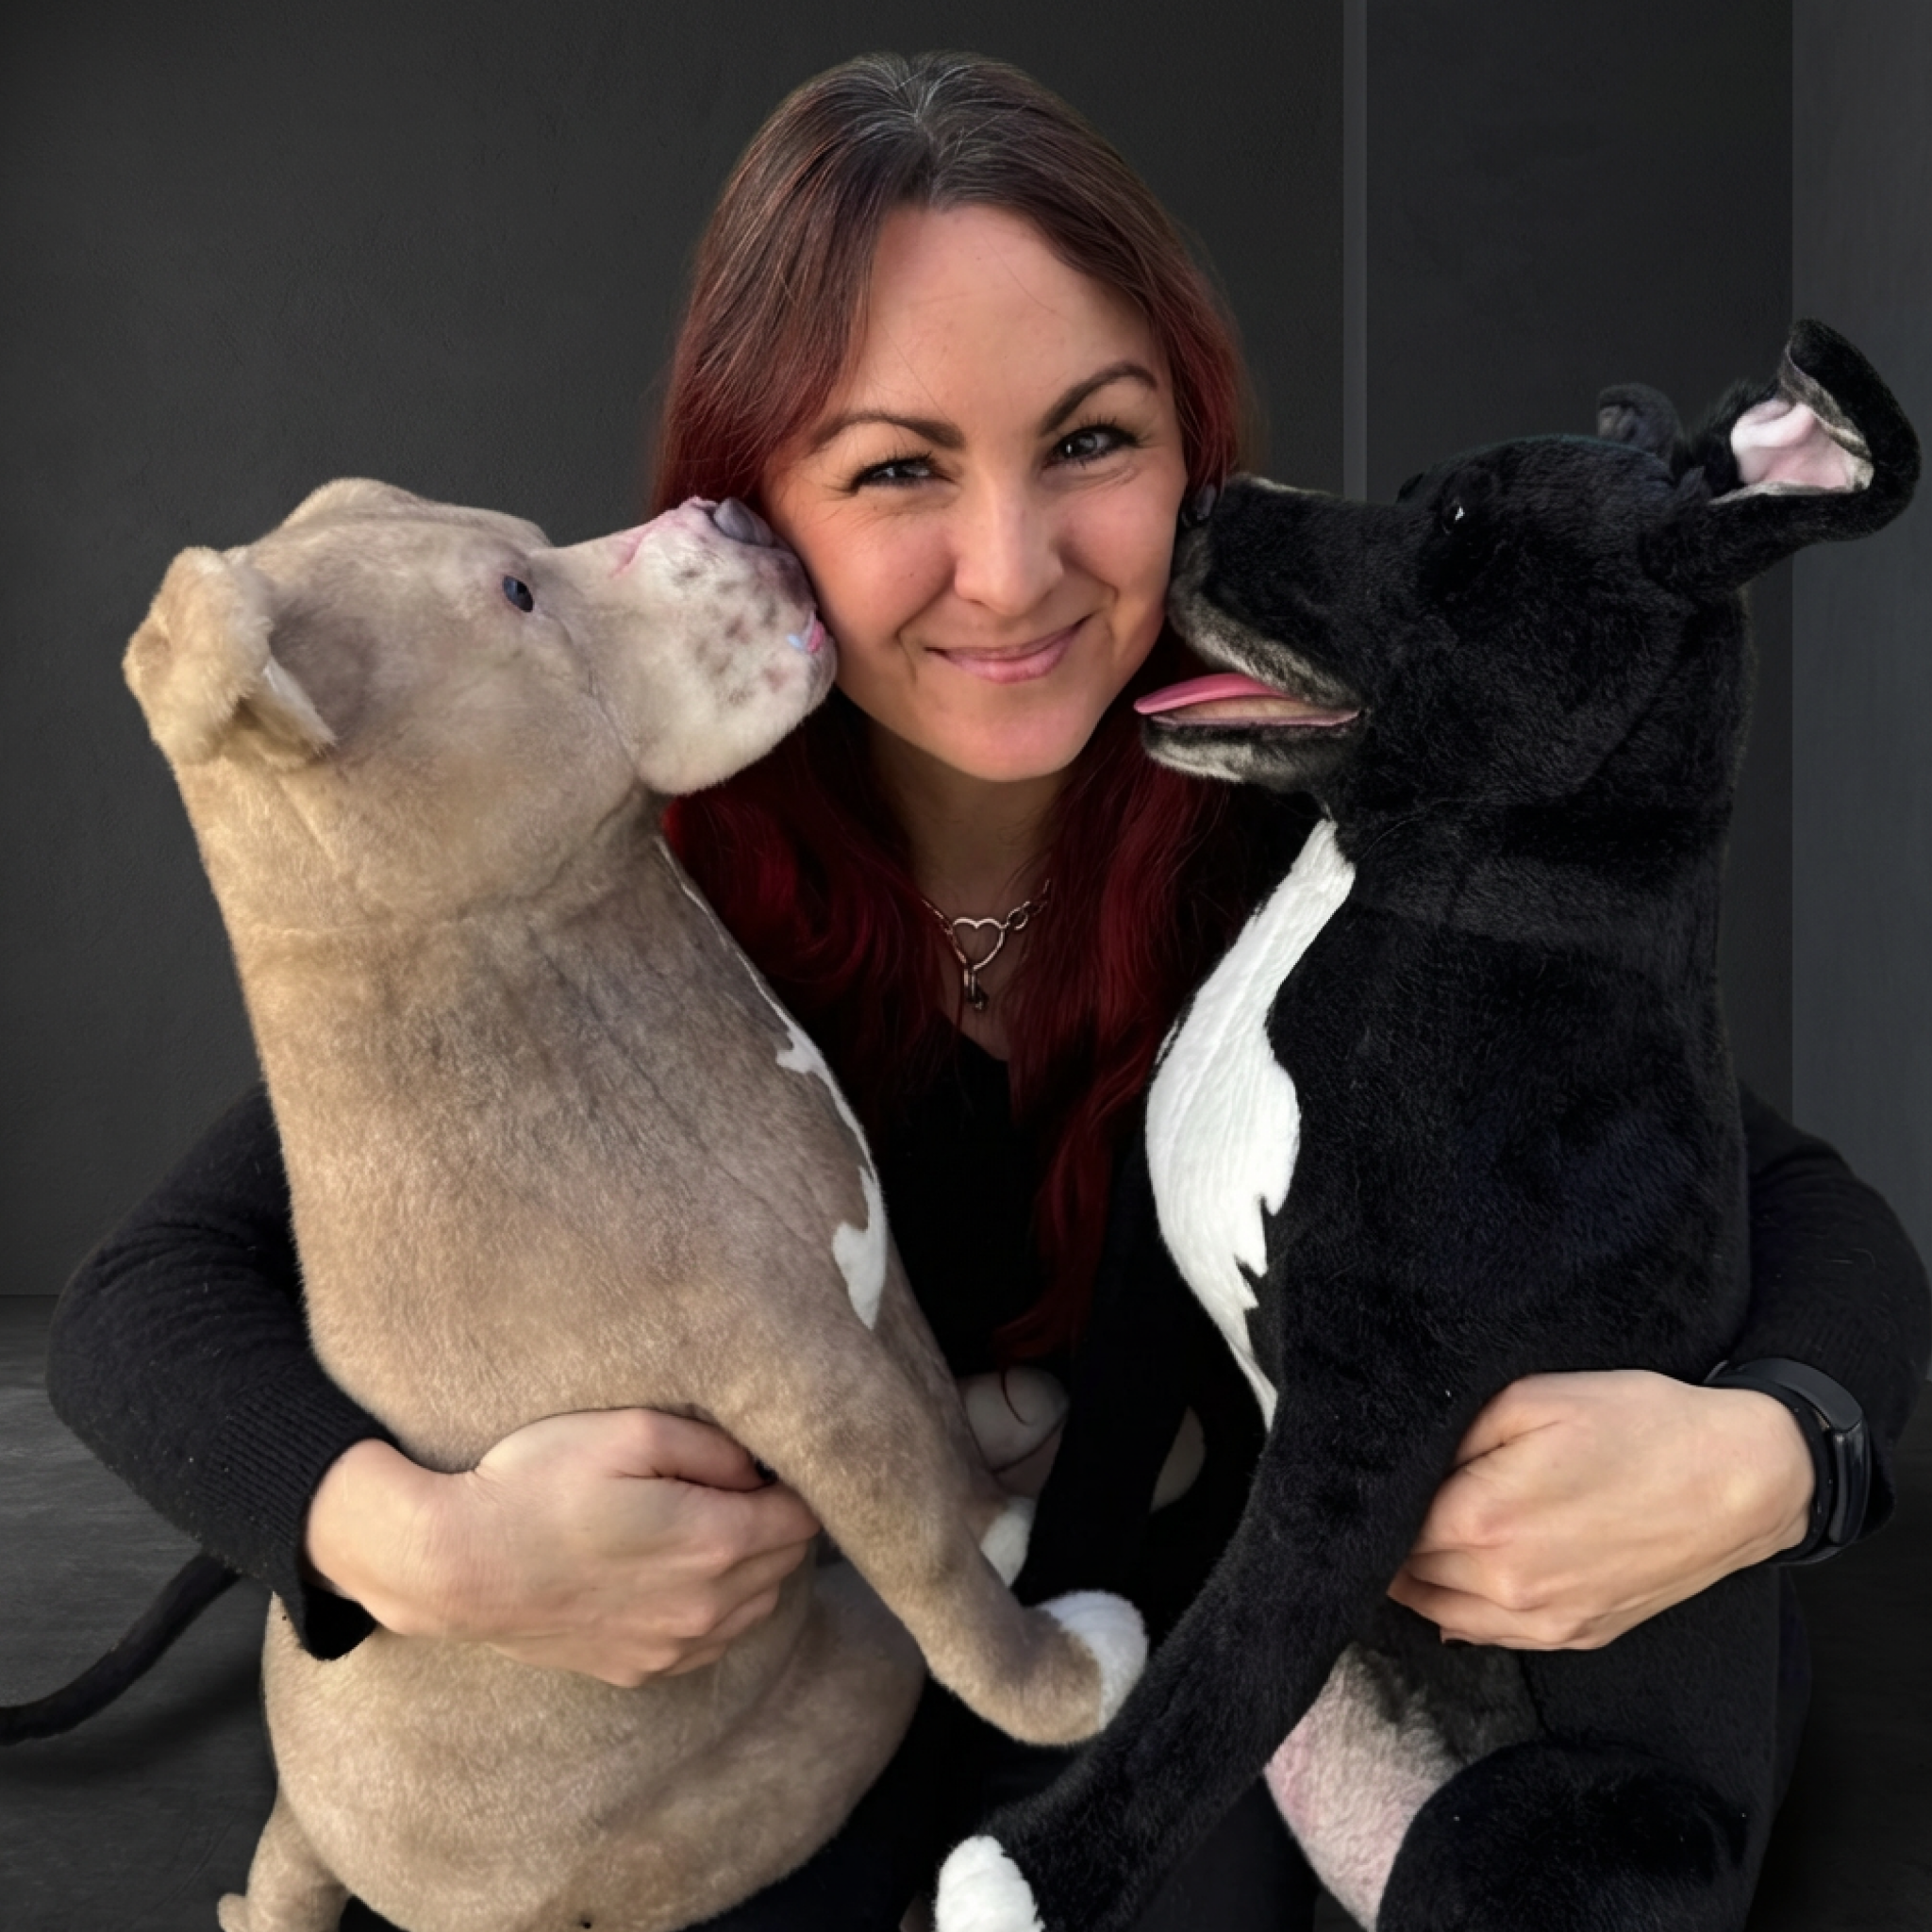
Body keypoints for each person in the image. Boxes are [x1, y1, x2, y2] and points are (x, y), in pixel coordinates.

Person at [47, 50, 1929, 1932]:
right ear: (751, 499)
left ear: (1194, 451)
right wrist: (425, 1545)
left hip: (1192, 1683)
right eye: (896, 469)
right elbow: (145, 1300)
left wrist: (1777, 1456)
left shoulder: (1331, 838)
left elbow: (1790, 1204)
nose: (1014, 571)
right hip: (787, 1717)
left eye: (1092, 441)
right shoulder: (621, 884)